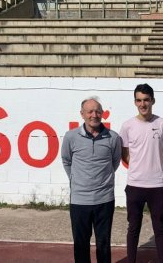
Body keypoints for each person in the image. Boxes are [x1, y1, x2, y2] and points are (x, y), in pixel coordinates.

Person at [61, 96, 122, 263]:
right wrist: (76, 179)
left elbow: (114, 161)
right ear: (82, 114)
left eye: (97, 111)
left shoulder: (113, 137)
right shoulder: (70, 137)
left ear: (102, 113)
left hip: (104, 200)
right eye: (90, 111)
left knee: (103, 243)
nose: (94, 115)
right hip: (79, 201)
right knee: (81, 245)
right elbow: (67, 161)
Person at [119, 84, 163, 263]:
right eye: (139, 100)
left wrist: (155, 168)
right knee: (133, 227)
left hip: (157, 186)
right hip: (134, 185)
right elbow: (125, 155)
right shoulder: (127, 126)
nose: (143, 104)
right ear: (135, 102)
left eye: (146, 100)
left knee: (159, 227)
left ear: (153, 101)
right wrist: (138, 168)